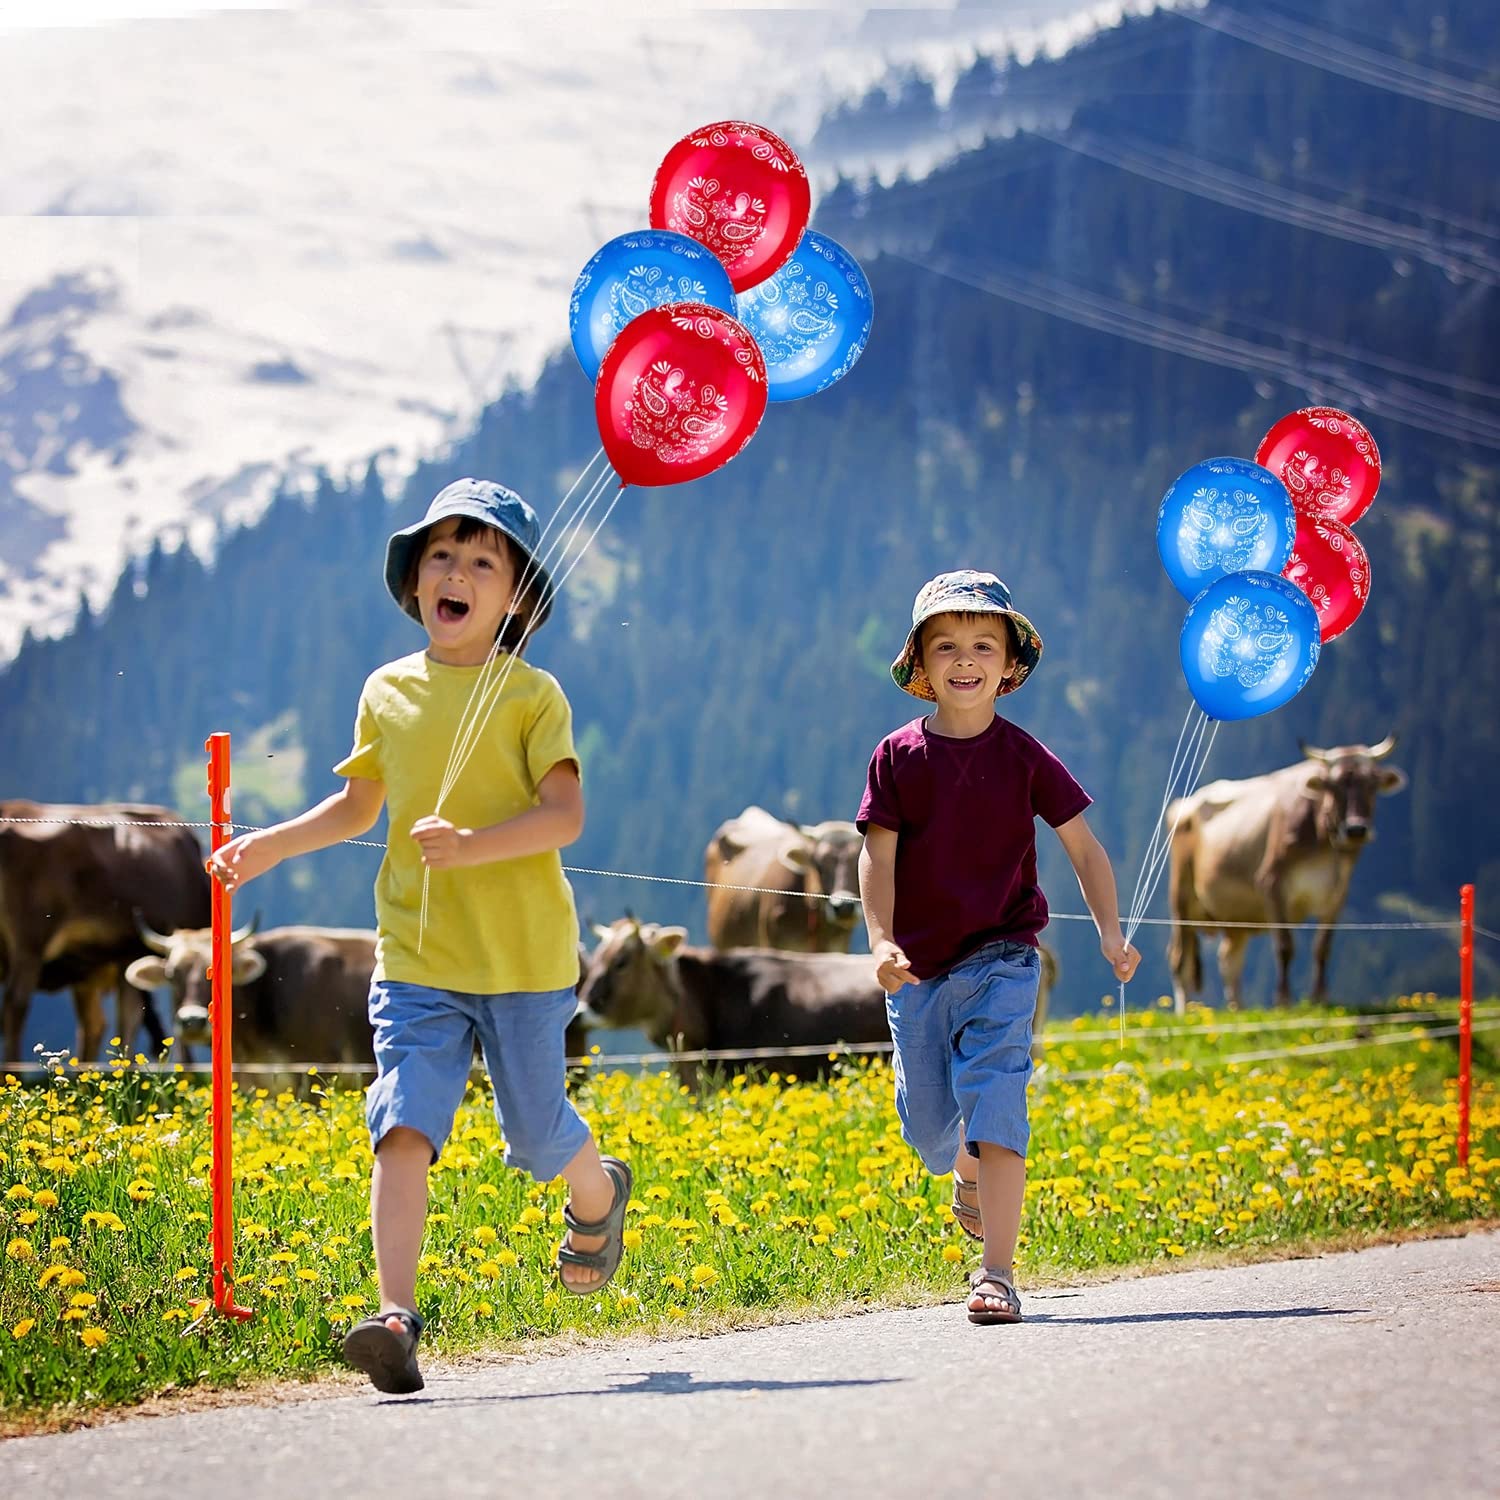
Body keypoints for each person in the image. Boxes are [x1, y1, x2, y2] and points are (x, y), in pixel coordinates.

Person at [208, 477, 630, 1392]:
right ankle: (396, 1319)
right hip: (415, 959)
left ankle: (599, 1198)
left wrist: (476, 846)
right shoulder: (387, 691)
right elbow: (359, 806)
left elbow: (565, 816)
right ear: (414, 583)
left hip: (522, 960)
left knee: (538, 1135)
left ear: (516, 596)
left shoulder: (532, 695)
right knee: (403, 1119)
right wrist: (269, 845)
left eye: (484, 560)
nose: (458, 571)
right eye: (442, 554)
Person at [856, 569, 1139, 1325]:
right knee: (927, 1127)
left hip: (1005, 959)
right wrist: (880, 941)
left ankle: (997, 1274)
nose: (965, 658)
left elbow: (1084, 848)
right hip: (917, 969)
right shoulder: (897, 757)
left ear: (1010, 663)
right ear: (920, 663)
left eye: (984, 643)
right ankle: (965, 1169)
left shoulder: (1027, 757)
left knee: (999, 1098)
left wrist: (1111, 932)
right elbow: (875, 858)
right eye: (945, 645)